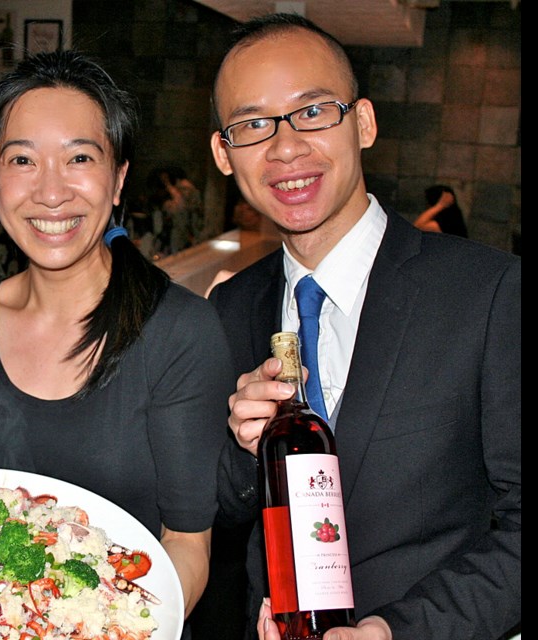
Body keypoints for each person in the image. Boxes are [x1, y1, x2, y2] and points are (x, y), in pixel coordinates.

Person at [206, 13, 520, 640]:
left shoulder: (487, 293)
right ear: (223, 153)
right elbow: (217, 511)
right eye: (252, 125)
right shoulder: (229, 308)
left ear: (365, 123)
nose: (285, 147)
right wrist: (245, 454)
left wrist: (395, 632)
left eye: (314, 111)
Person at [0, 50, 236, 623]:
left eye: (79, 159)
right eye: (22, 159)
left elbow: (188, 545)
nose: (50, 191)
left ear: (117, 179)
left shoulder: (179, 332)